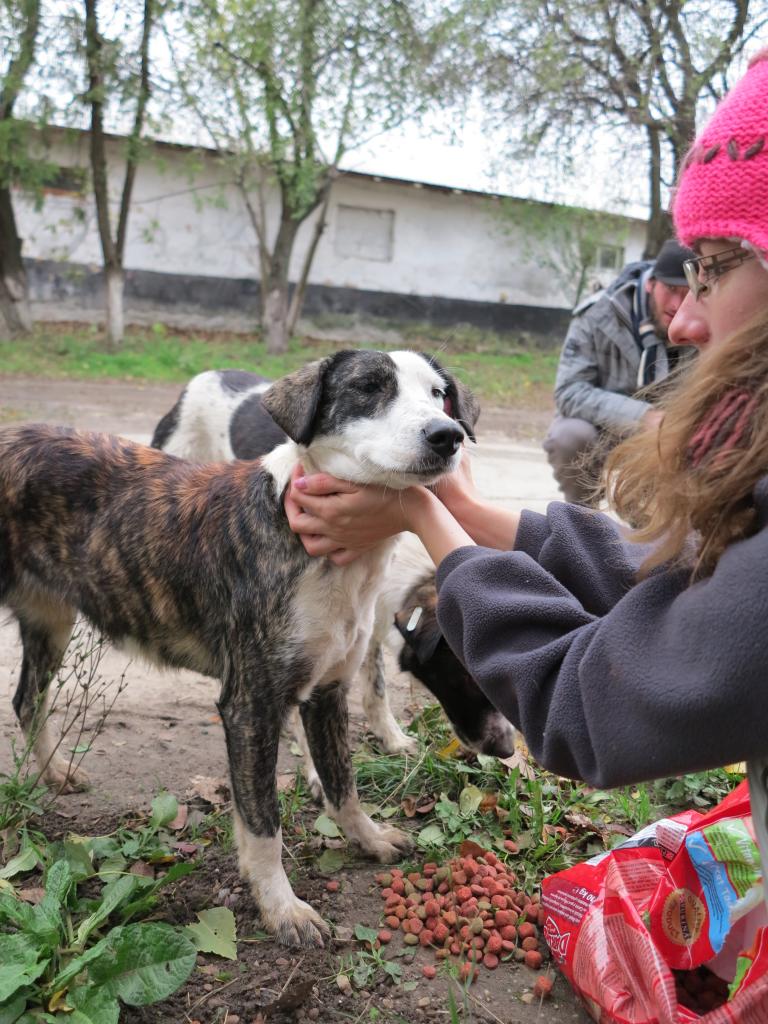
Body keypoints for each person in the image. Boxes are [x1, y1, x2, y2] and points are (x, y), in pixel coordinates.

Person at [283, 51, 768, 846]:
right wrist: (466, 510)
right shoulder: (600, 319)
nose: (685, 322)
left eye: (714, 271)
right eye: (686, 280)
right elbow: (690, 582)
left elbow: (590, 707)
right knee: (573, 435)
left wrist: (427, 518)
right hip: (600, 428)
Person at [543, 238, 695, 503]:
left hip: (666, 437)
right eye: (670, 289)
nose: (677, 304)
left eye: (688, 292)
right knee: (569, 436)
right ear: (651, 283)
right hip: (604, 429)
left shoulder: (702, 322)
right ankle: (582, 521)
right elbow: (569, 392)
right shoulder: (598, 314)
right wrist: (643, 416)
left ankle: (647, 522)